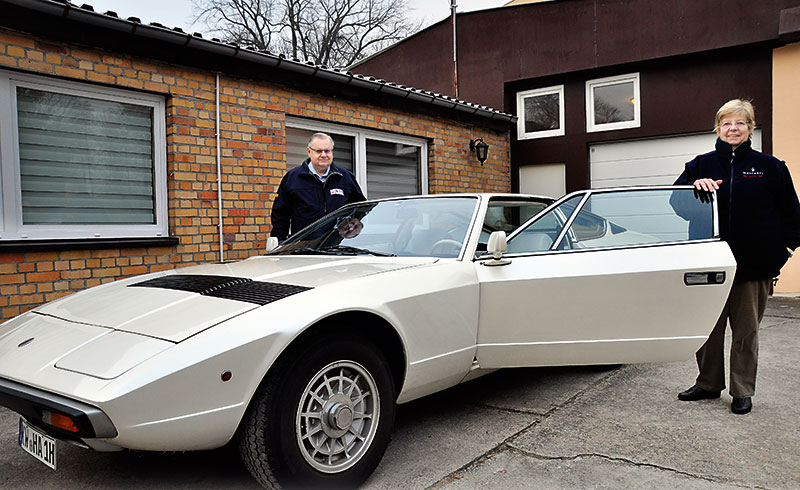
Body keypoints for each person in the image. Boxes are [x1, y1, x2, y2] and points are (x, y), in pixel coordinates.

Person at [674, 99, 800, 414]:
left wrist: (782, 252)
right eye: (727, 123)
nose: (733, 128)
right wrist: (693, 188)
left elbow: (792, 216)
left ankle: (742, 391)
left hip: (754, 266)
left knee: (746, 331)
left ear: (750, 128)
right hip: (709, 263)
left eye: (740, 123)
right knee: (709, 328)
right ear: (718, 128)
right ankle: (708, 384)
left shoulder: (771, 167)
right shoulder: (699, 166)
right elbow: (676, 205)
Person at [271, 133, 365, 242]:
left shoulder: (345, 177)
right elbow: (280, 215)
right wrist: (280, 244)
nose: (324, 155)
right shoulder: (292, 178)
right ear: (309, 151)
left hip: (338, 246)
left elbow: (361, 208)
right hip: (304, 247)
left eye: (327, 151)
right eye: (319, 151)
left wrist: (352, 227)